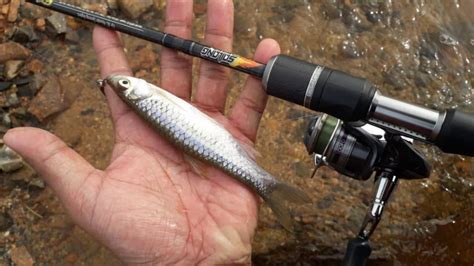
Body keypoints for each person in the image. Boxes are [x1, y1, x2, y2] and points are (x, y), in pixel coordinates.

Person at [4, 0, 281, 264]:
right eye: (126, 84)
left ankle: (266, 184)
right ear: (137, 93)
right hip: (217, 144)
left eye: (124, 84)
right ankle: (265, 183)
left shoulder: (144, 99)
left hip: (212, 145)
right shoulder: (143, 98)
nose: (127, 83)